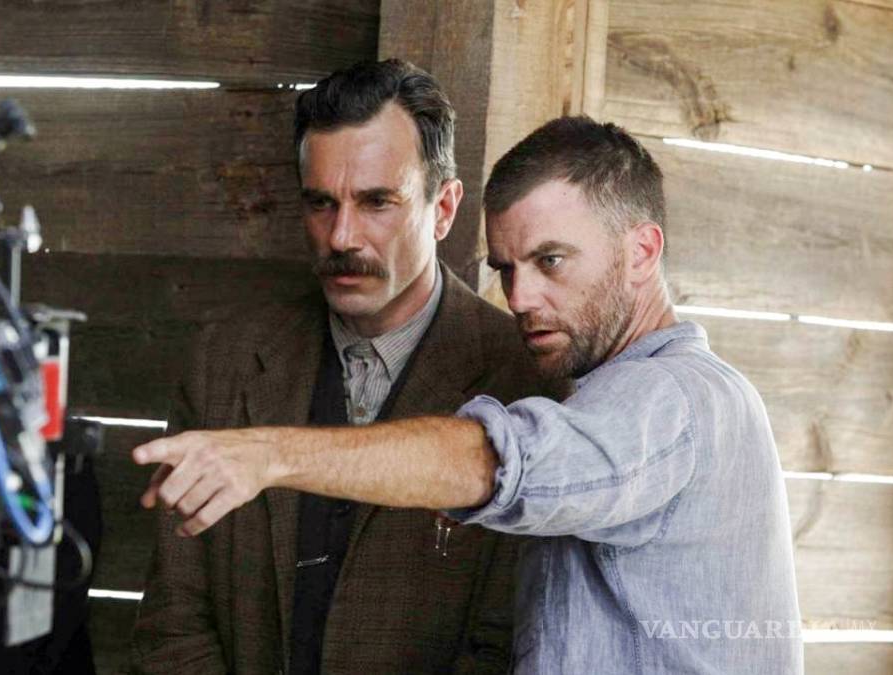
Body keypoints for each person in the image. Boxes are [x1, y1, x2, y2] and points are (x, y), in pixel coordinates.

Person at [133, 116, 804, 674]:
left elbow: (497, 462)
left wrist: (270, 455)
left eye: (551, 260)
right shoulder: (609, 396)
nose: (521, 297)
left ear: (642, 252)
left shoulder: (674, 396)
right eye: (506, 269)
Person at [129, 59, 560, 674]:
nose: (341, 237)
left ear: (443, 208)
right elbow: (174, 624)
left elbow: (506, 644)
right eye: (321, 203)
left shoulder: (524, 381)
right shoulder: (224, 363)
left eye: (377, 202)